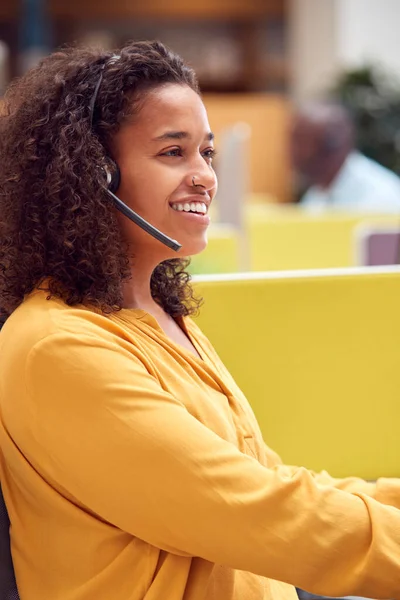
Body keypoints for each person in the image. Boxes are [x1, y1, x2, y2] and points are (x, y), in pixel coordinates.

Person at [0, 41, 400, 600]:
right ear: (93, 175)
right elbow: (259, 516)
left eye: (206, 154)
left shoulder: (159, 317)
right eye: (173, 153)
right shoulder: (58, 349)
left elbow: (267, 480)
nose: (204, 176)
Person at [291, 101, 400, 213]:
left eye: (300, 142)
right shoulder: (317, 193)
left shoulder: (381, 195)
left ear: (330, 145)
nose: (292, 152)